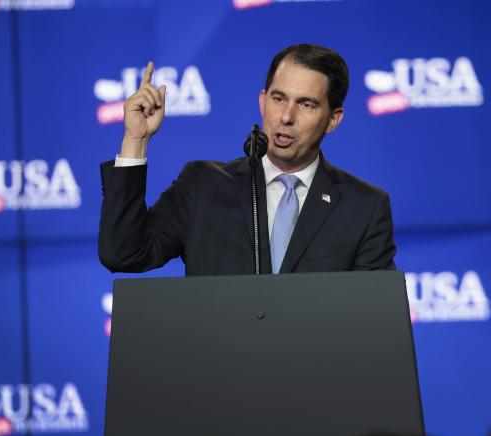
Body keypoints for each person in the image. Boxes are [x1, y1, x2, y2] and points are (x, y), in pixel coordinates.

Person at [99, 43, 396, 275]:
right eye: (278, 99)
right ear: (262, 101)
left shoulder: (364, 208)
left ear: (333, 119)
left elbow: (370, 317)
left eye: (306, 104)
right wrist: (135, 140)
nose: (286, 117)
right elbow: (124, 253)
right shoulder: (204, 185)